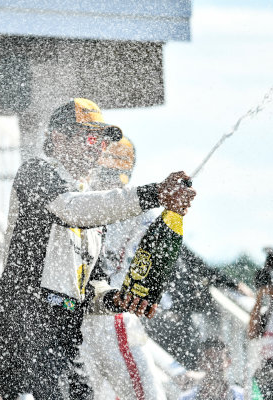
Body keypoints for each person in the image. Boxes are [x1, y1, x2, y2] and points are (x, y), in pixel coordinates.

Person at [0, 98, 196, 399]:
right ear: (58, 137)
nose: (97, 147)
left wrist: (119, 300)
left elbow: (91, 291)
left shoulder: (92, 206)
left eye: (101, 141)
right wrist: (153, 193)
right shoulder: (36, 173)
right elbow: (70, 210)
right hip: (24, 331)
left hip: (66, 340)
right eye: (89, 137)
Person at [81, 136, 167, 400]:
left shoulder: (141, 213)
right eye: (106, 174)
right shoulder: (140, 210)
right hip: (90, 318)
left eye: (114, 176)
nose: (108, 183)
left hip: (111, 316)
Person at [178, 338, 244, 400]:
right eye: (208, 360)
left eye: (218, 361)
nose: (213, 366)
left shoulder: (241, 396)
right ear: (200, 363)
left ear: (228, 362)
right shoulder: (187, 398)